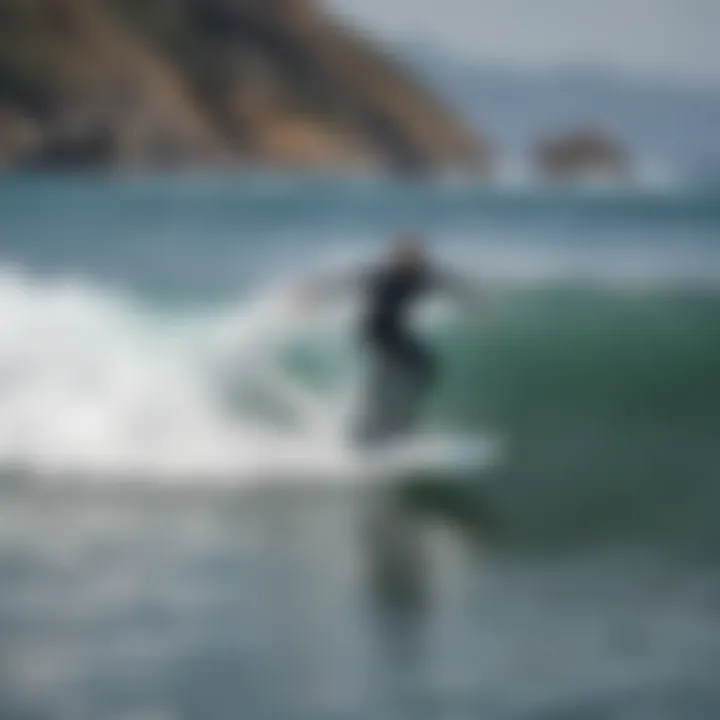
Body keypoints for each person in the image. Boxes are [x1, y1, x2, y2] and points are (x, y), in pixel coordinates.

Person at [298, 233, 482, 442]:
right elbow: (345, 282)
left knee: (426, 369)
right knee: (385, 374)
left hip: (396, 330)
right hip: (373, 330)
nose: (409, 264)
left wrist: (474, 306)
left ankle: (400, 421)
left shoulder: (423, 276)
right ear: (395, 259)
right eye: (404, 258)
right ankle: (364, 425)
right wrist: (313, 295)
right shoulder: (382, 275)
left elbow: (450, 284)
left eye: (414, 258)